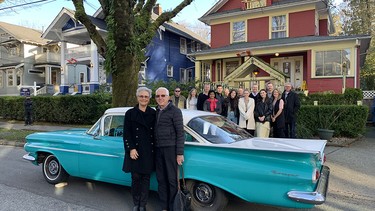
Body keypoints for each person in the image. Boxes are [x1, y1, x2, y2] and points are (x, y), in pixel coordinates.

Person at [123, 87, 156, 211]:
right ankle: (136, 203)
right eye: (141, 96)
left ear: (149, 98)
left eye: (146, 97)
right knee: (136, 178)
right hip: (135, 151)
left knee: (146, 179)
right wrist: (131, 148)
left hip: (148, 150)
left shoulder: (153, 113)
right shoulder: (130, 113)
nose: (143, 98)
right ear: (137, 98)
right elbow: (127, 134)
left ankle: (143, 204)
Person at [154, 87, 185, 211]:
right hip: (158, 149)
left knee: (172, 180)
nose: (160, 98)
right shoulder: (155, 111)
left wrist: (179, 153)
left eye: (163, 96)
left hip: (170, 149)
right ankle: (164, 207)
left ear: (168, 97)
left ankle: (173, 207)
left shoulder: (175, 111)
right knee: (161, 179)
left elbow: (180, 133)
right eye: (158, 96)